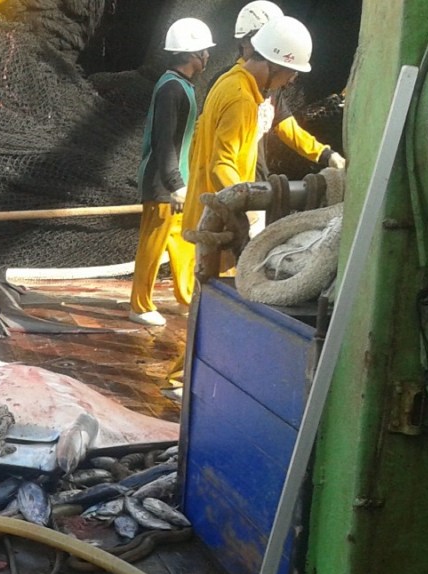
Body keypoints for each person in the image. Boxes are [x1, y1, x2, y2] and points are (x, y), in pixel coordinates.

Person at [162, 14, 316, 401]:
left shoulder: (230, 81)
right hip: (219, 218)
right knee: (213, 301)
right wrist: (243, 213)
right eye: (291, 73)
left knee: (208, 300)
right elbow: (223, 163)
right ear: (276, 64)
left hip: (211, 210)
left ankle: (185, 376)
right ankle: (184, 380)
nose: (292, 81)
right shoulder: (242, 98)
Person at [128, 18, 214, 327]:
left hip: (177, 181)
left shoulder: (182, 86)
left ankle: (185, 295)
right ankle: (139, 305)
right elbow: (164, 141)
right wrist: (174, 183)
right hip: (162, 182)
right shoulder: (171, 89)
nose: (207, 57)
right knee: (153, 243)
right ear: (193, 55)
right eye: (204, 52)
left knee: (179, 239)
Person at [233, 1, 346, 181]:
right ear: (245, 41)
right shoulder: (231, 86)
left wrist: (325, 154)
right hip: (230, 189)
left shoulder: (271, 88)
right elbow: (218, 155)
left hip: (255, 182)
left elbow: (288, 128)